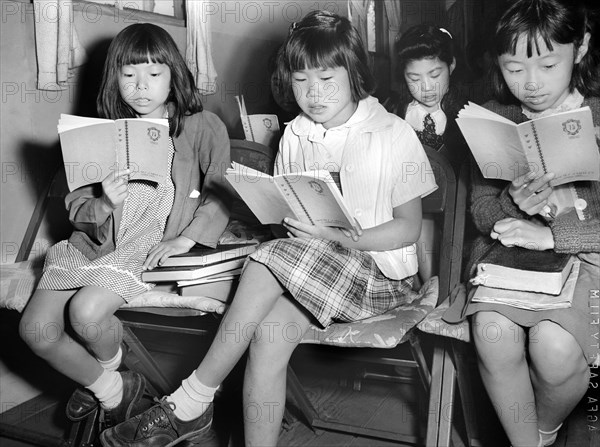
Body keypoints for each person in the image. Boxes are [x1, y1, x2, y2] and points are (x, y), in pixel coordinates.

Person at [100, 10, 437, 447]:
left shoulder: (392, 133)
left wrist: (336, 237)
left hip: (381, 274)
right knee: (267, 337)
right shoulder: (294, 133)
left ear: (354, 73)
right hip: (311, 268)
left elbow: (408, 229)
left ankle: (191, 401)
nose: (313, 94)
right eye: (300, 81)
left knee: (264, 259)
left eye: (326, 79)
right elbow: (282, 215)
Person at [19, 23, 231, 429]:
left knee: (86, 313)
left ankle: (109, 377)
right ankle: (113, 385)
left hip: (147, 246)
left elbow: (224, 191)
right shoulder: (97, 132)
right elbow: (76, 206)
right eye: (129, 75)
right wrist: (102, 202)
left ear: (175, 75)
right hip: (90, 246)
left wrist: (189, 237)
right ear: (114, 78)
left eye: (154, 74)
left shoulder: (202, 126)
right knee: (36, 331)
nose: (141, 86)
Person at [444, 1, 600, 446]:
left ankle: (542, 434)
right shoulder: (496, 117)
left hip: (588, 260)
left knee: (554, 349)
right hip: (511, 264)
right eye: (513, 67)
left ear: (581, 46)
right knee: (492, 331)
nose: (530, 84)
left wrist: (553, 234)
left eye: (549, 64)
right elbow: (481, 209)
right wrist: (513, 204)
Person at [390, 24, 469, 172]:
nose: (426, 87)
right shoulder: (393, 115)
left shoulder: (466, 116)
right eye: (414, 79)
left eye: (434, 75)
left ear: (451, 65)